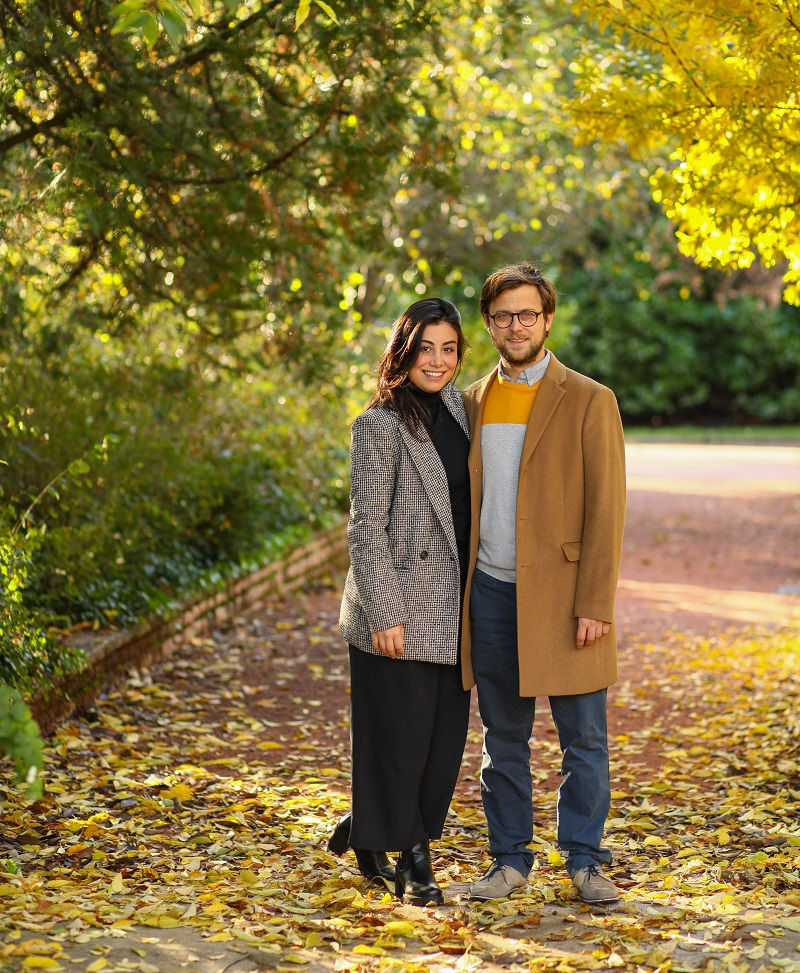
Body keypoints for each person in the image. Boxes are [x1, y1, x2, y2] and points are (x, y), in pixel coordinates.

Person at [461, 262, 626, 905]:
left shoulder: (589, 399)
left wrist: (594, 604)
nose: (516, 325)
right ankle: (508, 861)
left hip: (564, 598)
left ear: (547, 319)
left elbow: (606, 512)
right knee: (502, 739)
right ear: (490, 324)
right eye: (503, 316)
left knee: (584, 737)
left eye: (527, 313)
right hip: (494, 595)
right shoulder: (471, 400)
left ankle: (585, 860)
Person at [329, 297, 472, 905]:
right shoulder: (379, 424)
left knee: (443, 748)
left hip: (458, 611)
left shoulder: (465, 412)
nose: (436, 362)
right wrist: (384, 611)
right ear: (404, 352)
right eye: (425, 349)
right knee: (402, 740)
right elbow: (366, 527)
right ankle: (415, 862)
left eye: (448, 349)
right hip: (398, 613)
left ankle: (370, 828)